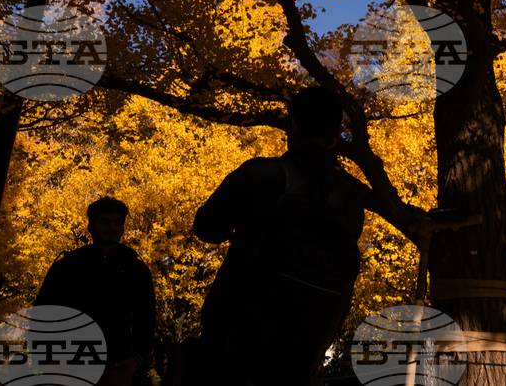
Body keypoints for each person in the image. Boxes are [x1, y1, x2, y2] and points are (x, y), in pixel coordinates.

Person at [191, 85, 365, 386]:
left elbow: (207, 229)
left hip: (232, 341)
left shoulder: (261, 174)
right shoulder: (350, 200)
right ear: (336, 138)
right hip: (301, 353)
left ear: (292, 124)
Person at [35, 196, 156, 386]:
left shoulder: (136, 270)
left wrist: (136, 361)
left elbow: (147, 320)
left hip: (117, 370)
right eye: (105, 221)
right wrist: (48, 359)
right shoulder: (67, 266)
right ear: (91, 226)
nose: (112, 228)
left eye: (118, 223)